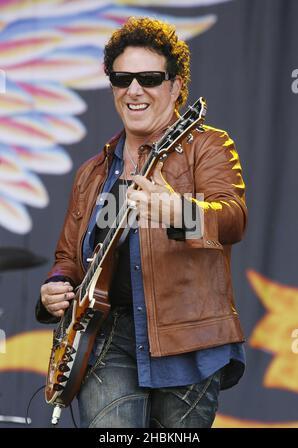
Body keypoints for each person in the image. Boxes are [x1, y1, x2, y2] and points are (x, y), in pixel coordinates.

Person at [36, 17, 247, 428]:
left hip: (189, 337)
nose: (134, 90)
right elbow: (69, 256)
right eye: (122, 78)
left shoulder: (207, 145)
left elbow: (234, 219)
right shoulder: (93, 172)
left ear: (176, 85)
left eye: (149, 77)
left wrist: (178, 211)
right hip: (107, 336)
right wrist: (56, 288)